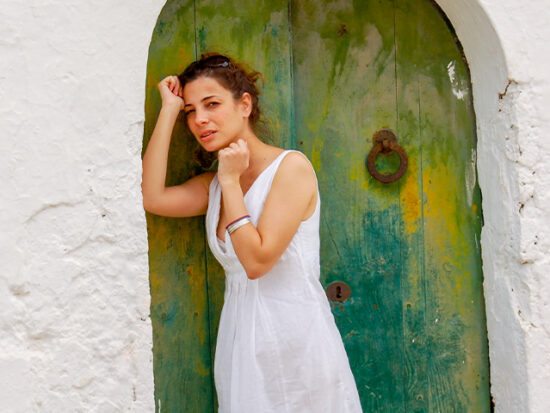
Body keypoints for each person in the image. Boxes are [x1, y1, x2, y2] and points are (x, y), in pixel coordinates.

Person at [142, 53, 362, 413]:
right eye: (191, 111)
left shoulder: (290, 169)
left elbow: (257, 261)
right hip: (241, 342)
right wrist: (169, 109)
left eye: (212, 104)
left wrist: (230, 181)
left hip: (295, 340)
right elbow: (152, 196)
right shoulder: (212, 186)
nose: (200, 120)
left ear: (244, 105)